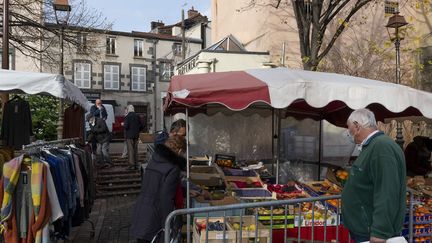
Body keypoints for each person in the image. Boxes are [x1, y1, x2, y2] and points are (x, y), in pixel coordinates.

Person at [341, 108, 406, 243]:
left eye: (349, 128)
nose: (349, 133)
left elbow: (387, 191)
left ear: (357, 126)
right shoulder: (372, 146)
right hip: (365, 228)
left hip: (371, 231)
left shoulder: (382, 147)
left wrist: (380, 232)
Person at [130, 135, 186, 243]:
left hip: (142, 210)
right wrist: (167, 225)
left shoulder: (154, 160)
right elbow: (166, 198)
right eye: (183, 152)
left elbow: (157, 185)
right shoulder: (173, 168)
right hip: (155, 215)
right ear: (179, 151)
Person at [123, 105, 143, 170]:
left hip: (129, 136)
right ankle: (136, 164)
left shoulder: (127, 116)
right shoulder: (137, 116)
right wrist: (137, 130)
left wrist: (123, 124)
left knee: (130, 151)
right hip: (136, 135)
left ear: (128, 109)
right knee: (135, 150)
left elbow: (126, 126)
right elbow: (142, 125)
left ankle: (131, 165)